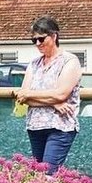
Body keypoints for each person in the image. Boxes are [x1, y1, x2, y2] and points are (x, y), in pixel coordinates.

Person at [16, 16, 82, 174]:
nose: (38, 44)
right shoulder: (34, 64)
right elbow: (23, 96)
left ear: (54, 36)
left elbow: (61, 94)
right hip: (35, 126)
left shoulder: (70, 61)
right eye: (34, 40)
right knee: (38, 175)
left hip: (60, 126)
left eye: (41, 39)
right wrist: (52, 102)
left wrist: (33, 96)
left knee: (48, 174)